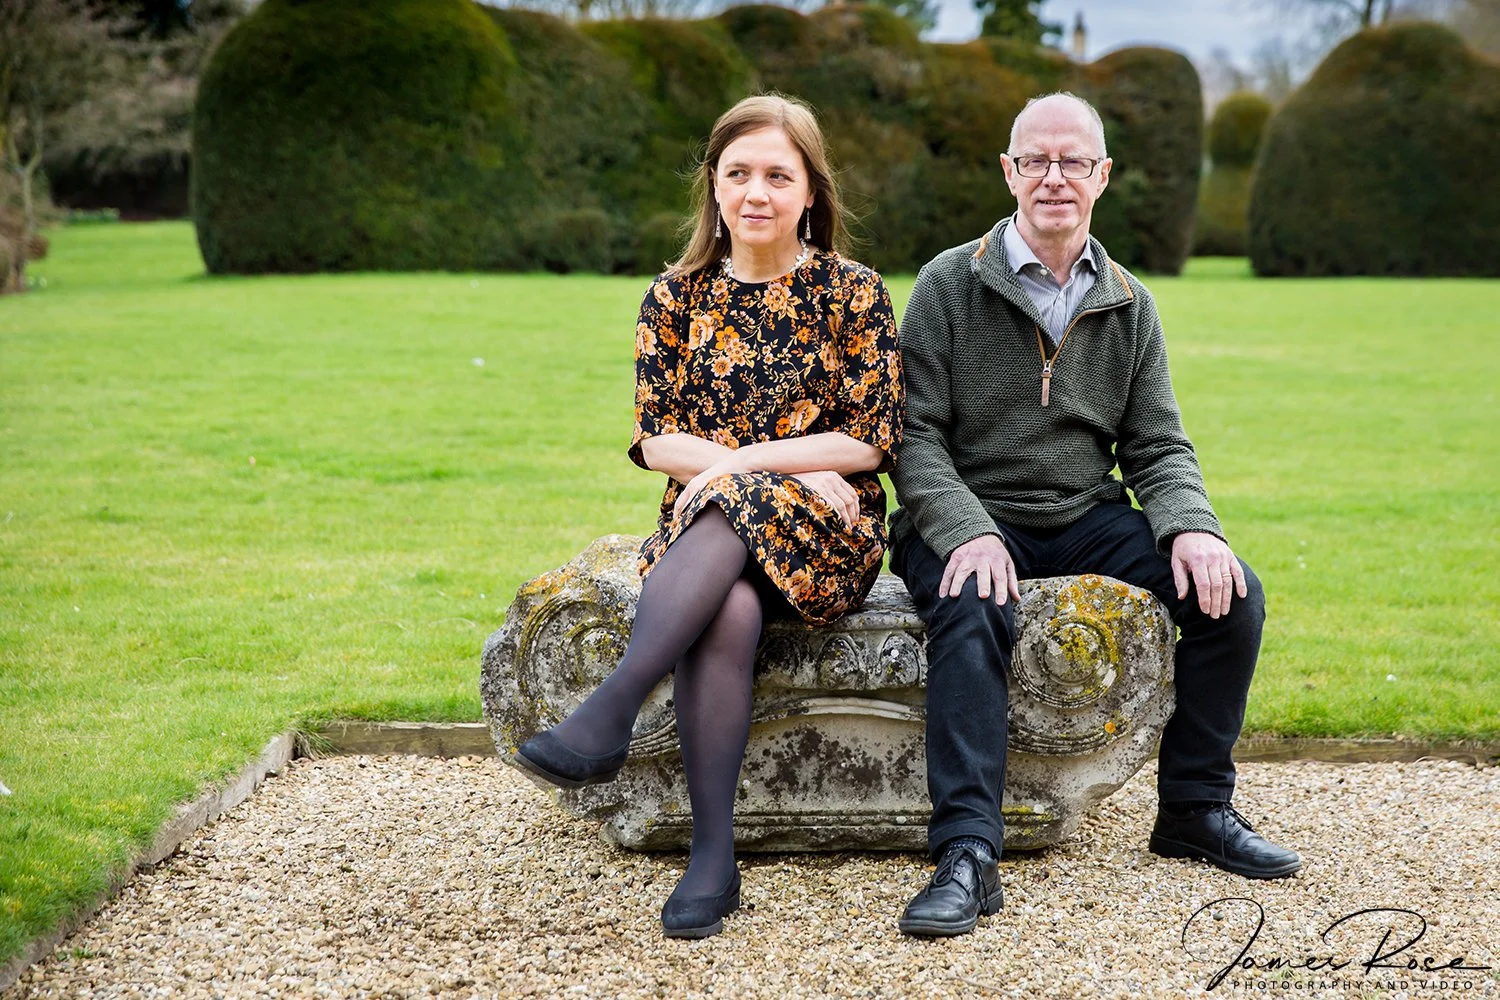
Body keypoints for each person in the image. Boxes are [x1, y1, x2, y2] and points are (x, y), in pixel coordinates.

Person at [888, 92, 1302, 938]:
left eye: (1072, 161)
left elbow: (1157, 443)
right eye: (1035, 160)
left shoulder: (1128, 300)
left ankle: (1192, 808)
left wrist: (1193, 527)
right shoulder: (946, 283)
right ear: (1008, 172)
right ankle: (967, 849)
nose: (1054, 178)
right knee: (972, 606)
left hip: (1082, 510)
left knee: (1233, 596)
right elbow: (912, 436)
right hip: (970, 509)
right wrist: (966, 530)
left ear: (1101, 176)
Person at [508, 94, 903, 940]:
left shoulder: (854, 294)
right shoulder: (674, 296)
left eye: (776, 175)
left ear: (809, 192)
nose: (755, 191)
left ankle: (610, 709)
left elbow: (867, 444)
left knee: (734, 496)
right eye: (738, 174)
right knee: (725, 608)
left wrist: (737, 462)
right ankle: (712, 861)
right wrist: (776, 463)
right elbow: (655, 441)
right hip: (709, 538)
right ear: (714, 189)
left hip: (831, 536)